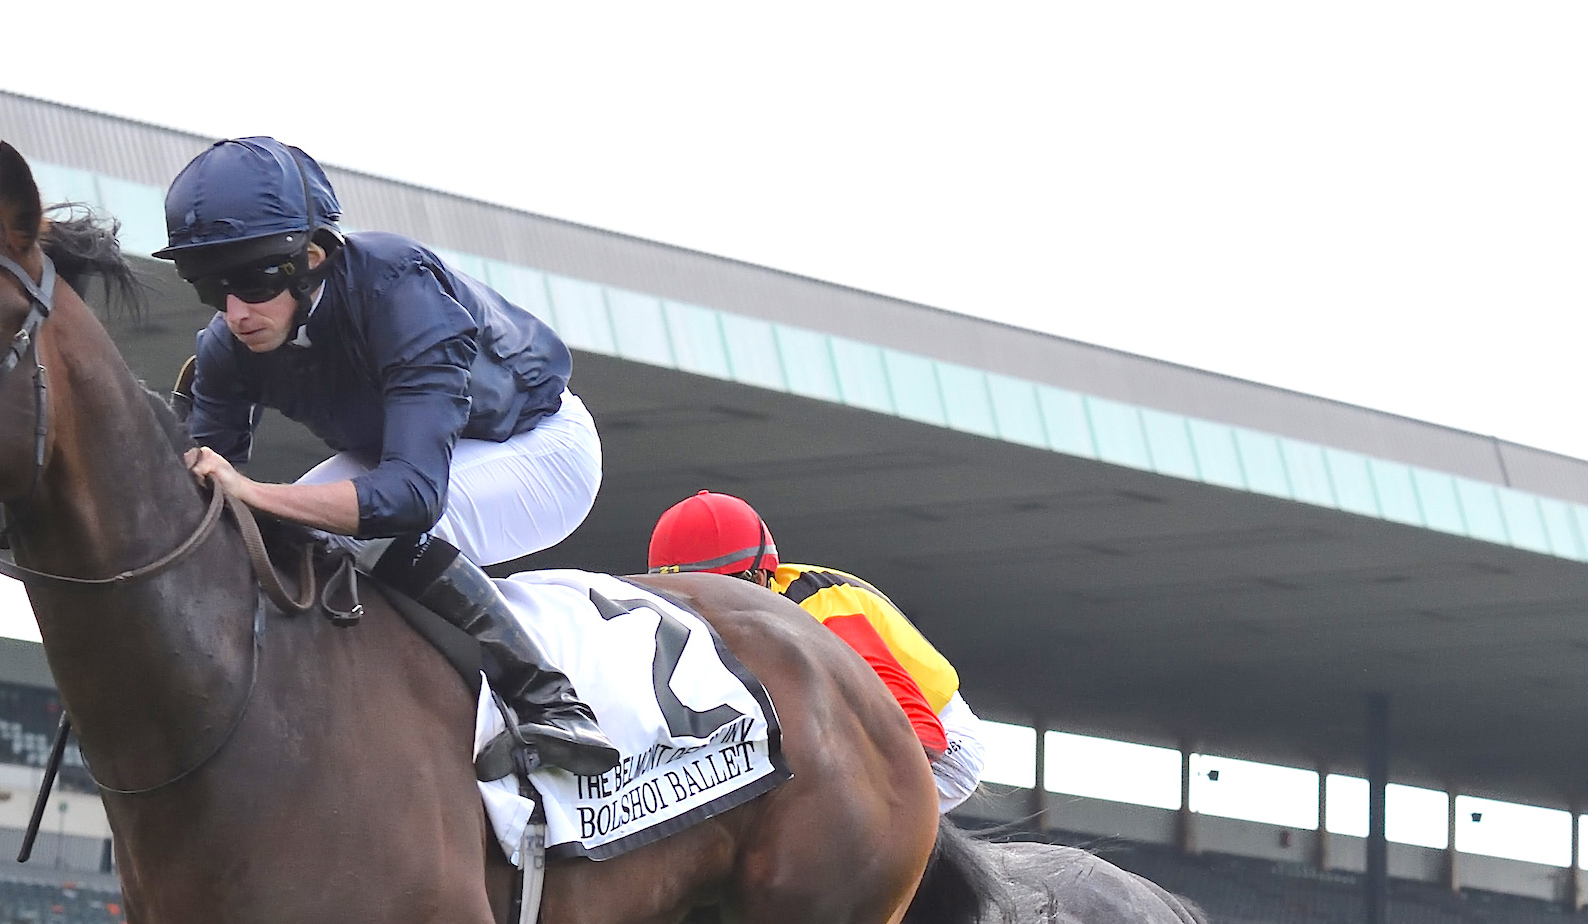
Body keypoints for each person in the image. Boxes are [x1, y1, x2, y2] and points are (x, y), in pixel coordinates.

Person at [158, 136, 615, 777]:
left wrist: (258, 492)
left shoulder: (399, 287)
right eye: (210, 286)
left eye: (254, 280)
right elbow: (210, 505)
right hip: (413, 460)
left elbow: (410, 498)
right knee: (287, 536)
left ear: (311, 256)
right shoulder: (224, 349)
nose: (235, 312)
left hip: (538, 446)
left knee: (354, 529)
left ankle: (551, 703)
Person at [648, 492, 987, 811]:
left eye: (716, 591)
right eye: (683, 599)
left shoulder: (821, 610)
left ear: (761, 577)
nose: (702, 612)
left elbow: (919, 732)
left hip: (934, 740)